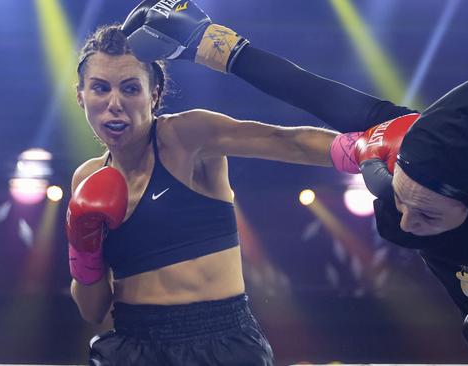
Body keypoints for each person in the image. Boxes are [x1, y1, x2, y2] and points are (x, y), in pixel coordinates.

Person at [121, 1, 468, 365]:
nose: (406, 221)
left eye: (427, 214)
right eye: (400, 199)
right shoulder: (407, 141)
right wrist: (208, 41)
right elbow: (313, 91)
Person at [67, 22, 339, 365]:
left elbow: (287, 142)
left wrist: (364, 149)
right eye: (100, 88)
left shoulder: (185, 138)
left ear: (154, 94)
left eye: (131, 88)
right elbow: (92, 310)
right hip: (131, 347)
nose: (115, 103)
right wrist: (83, 246)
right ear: (81, 95)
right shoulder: (86, 178)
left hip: (218, 344)